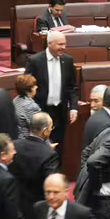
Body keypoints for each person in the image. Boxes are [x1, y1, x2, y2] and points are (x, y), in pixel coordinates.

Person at [25, 30, 78, 158]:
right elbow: (27, 86)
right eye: (60, 44)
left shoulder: (68, 60)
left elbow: (72, 87)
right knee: (39, 148)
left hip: (59, 112)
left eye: (64, 44)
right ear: (50, 43)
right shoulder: (35, 61)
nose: (63, 47)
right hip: (40, 111)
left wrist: (74, 108)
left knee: (58, 148)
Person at [9, 75, 40, 140]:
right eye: (34, 86)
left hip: (16, 139)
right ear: (28, 90)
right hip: (27, 141)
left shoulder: (15, 100)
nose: (36, 87)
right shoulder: (31, 106)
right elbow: (38, 129)